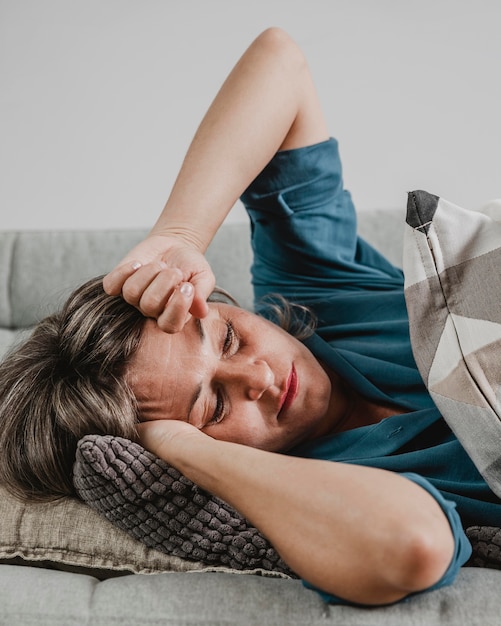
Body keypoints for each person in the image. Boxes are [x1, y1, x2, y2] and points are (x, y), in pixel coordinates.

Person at [0, 27, 500, 606]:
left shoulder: (315, 297)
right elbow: (412, 544)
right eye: (213, 406)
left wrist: (180, 234)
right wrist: (190, 453)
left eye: (230, 339)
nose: (260, 378)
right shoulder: (311, 491)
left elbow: (280, 63)